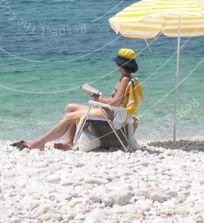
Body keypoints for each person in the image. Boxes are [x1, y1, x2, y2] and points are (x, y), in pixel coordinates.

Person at [11, 48, 140, 150]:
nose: (115, 64)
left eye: (117, 62)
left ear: (121, 64)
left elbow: (115, 102)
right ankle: (68, 142)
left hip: (113, 115)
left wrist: (98, 99)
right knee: (70, 107)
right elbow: (118, 100)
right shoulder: (126, 78)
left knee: (70, 116)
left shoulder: (125, 79)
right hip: (114, 111)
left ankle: (40, 142)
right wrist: (99, 97)